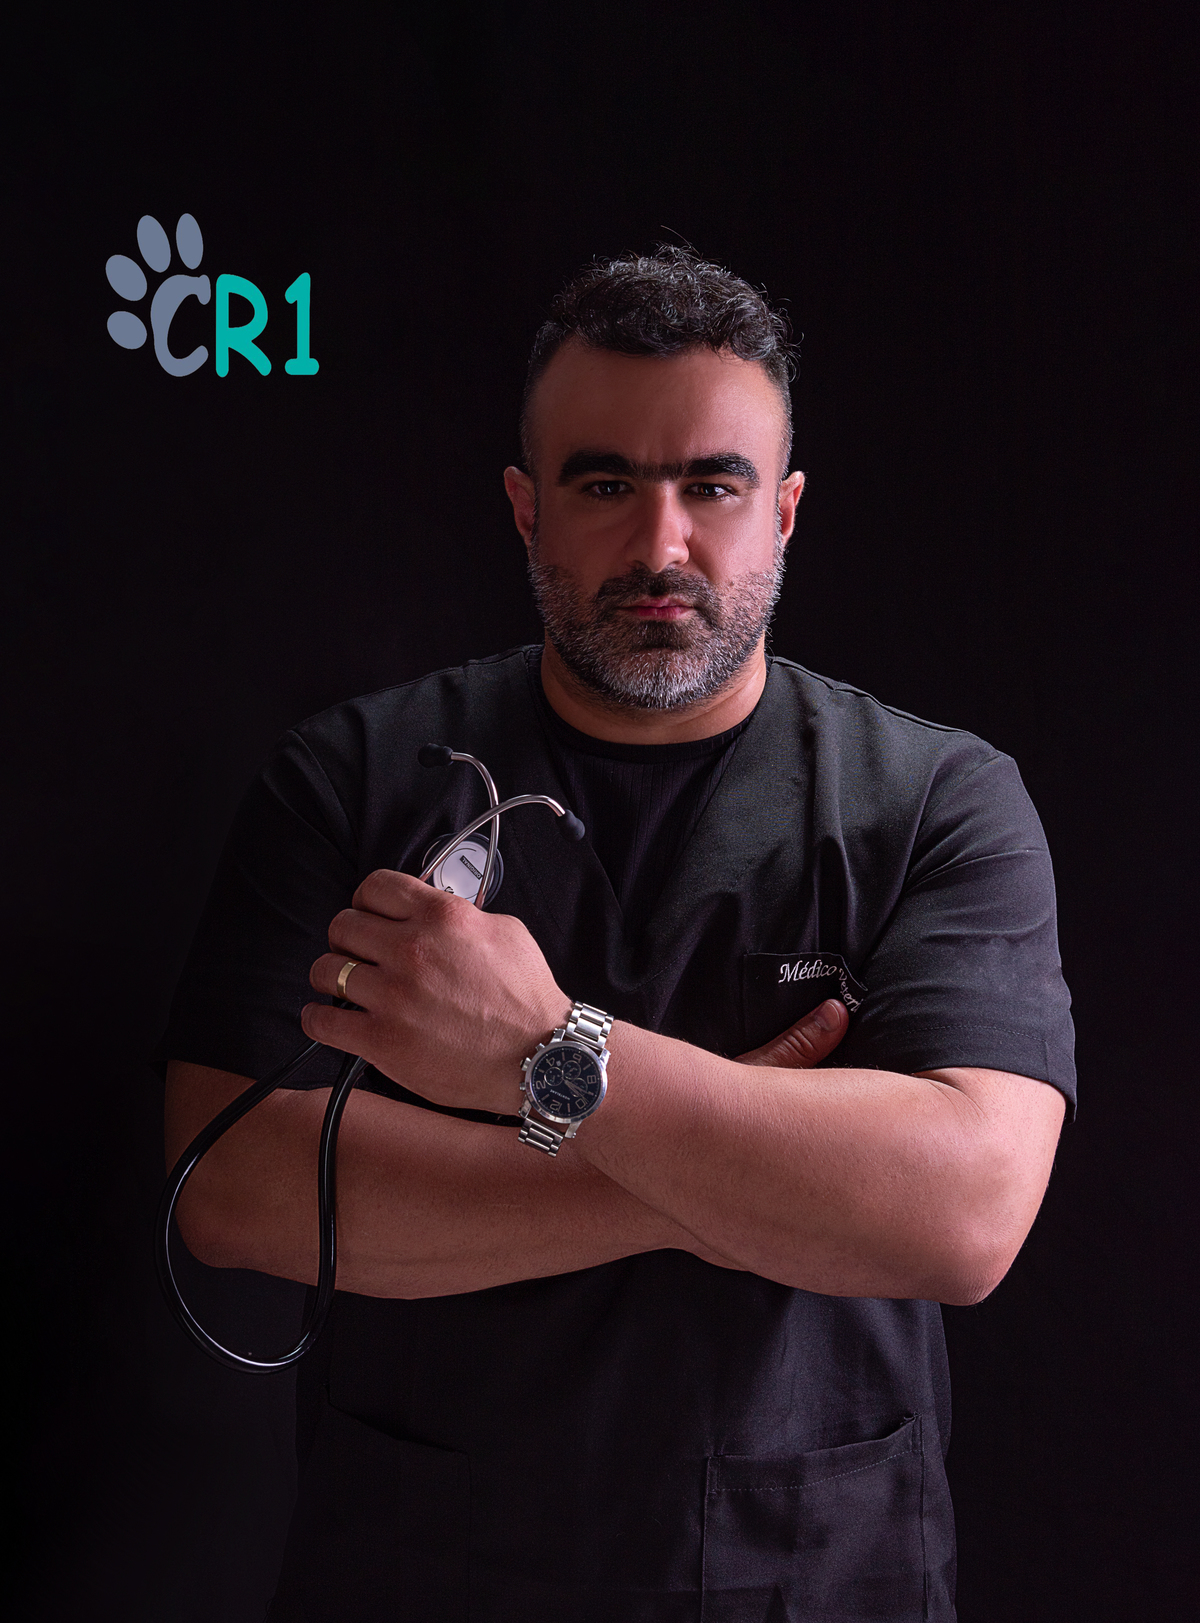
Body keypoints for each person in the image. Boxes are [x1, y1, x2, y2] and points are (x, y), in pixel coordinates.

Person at [162, 248, 1074, 1622]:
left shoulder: (937, 800)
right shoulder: (353, 780)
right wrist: (746, 1175)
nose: (661, 547)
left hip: (814, 1569)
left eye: (713, 487)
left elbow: (961, 1216)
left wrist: (546, 1055)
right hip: (428, 1567)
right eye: (604, 486)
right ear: (526, 509)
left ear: (785, 512)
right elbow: (231, 1189)